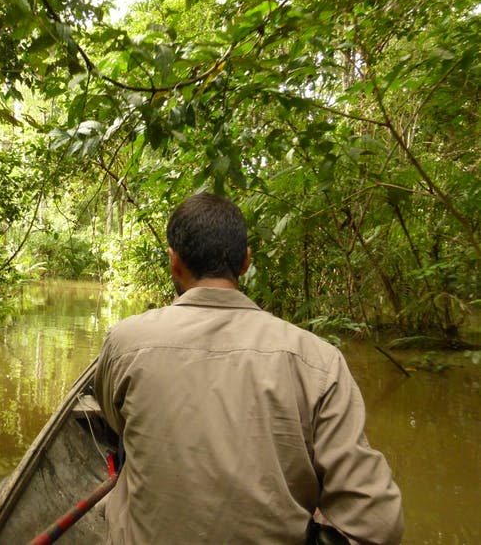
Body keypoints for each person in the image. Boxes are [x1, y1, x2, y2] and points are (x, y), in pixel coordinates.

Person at [94, 192, 403, 544]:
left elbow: (114, 419)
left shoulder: (124, 341)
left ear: (173, 262)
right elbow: (377, 522)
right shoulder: (318, 360)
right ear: (245, 262)